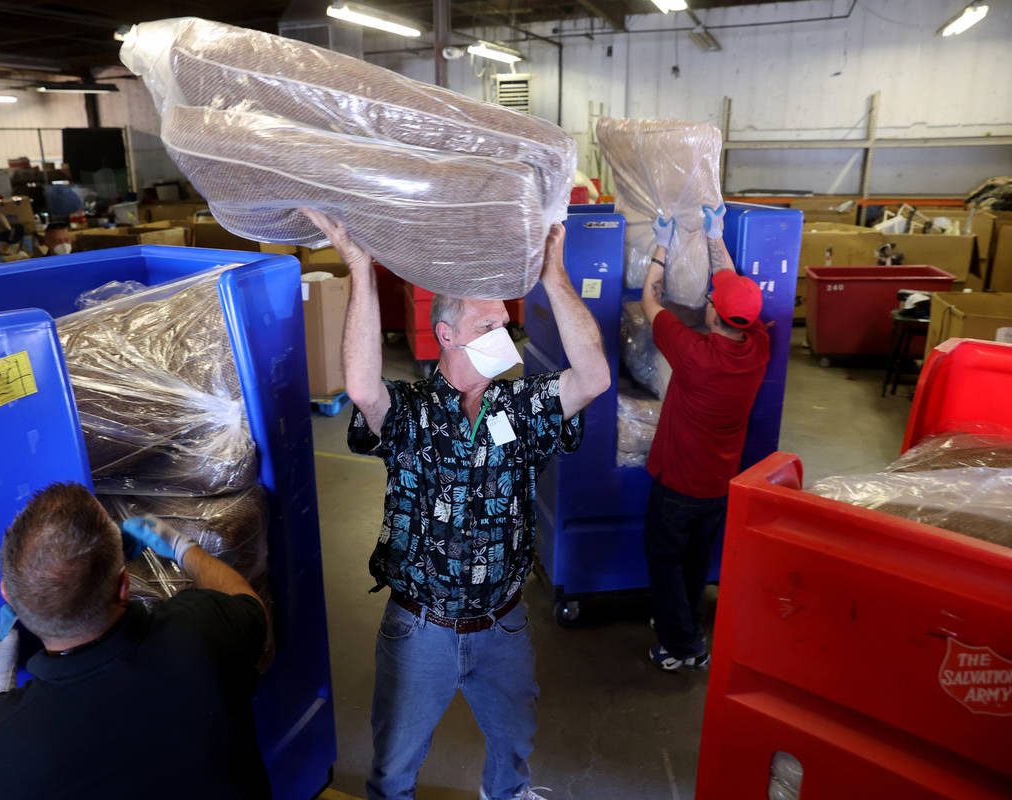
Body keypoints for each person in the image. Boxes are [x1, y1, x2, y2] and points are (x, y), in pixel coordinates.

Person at [303, 209, 610, 800]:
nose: (503, 327)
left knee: (515, 747)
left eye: (504, 318)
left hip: (503, 624)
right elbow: (363, 388)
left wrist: (553, 276)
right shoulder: (412, 408)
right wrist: (360, 270)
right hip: (422, 628)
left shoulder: (520, 406)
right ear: (447, 334)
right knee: (393, 768)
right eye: (487, 320)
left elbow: (592, 377)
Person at [0, 482, 271, 799]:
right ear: (123, 586)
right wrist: (179, 547)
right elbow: (249, 603)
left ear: (8, 595)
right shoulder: (202, 630)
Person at [639, 203, 771, 671]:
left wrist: (660, 244)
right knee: (694, 563)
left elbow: (650, 303)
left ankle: (683, 647)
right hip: (719, 486)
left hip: (679, 483)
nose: (709, 301)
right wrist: (715, 238)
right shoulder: (757, 346)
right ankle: (683, 627)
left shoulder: (694, 354)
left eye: (712, 302)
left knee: (665, 559)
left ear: (713, 318)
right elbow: (740, 301)